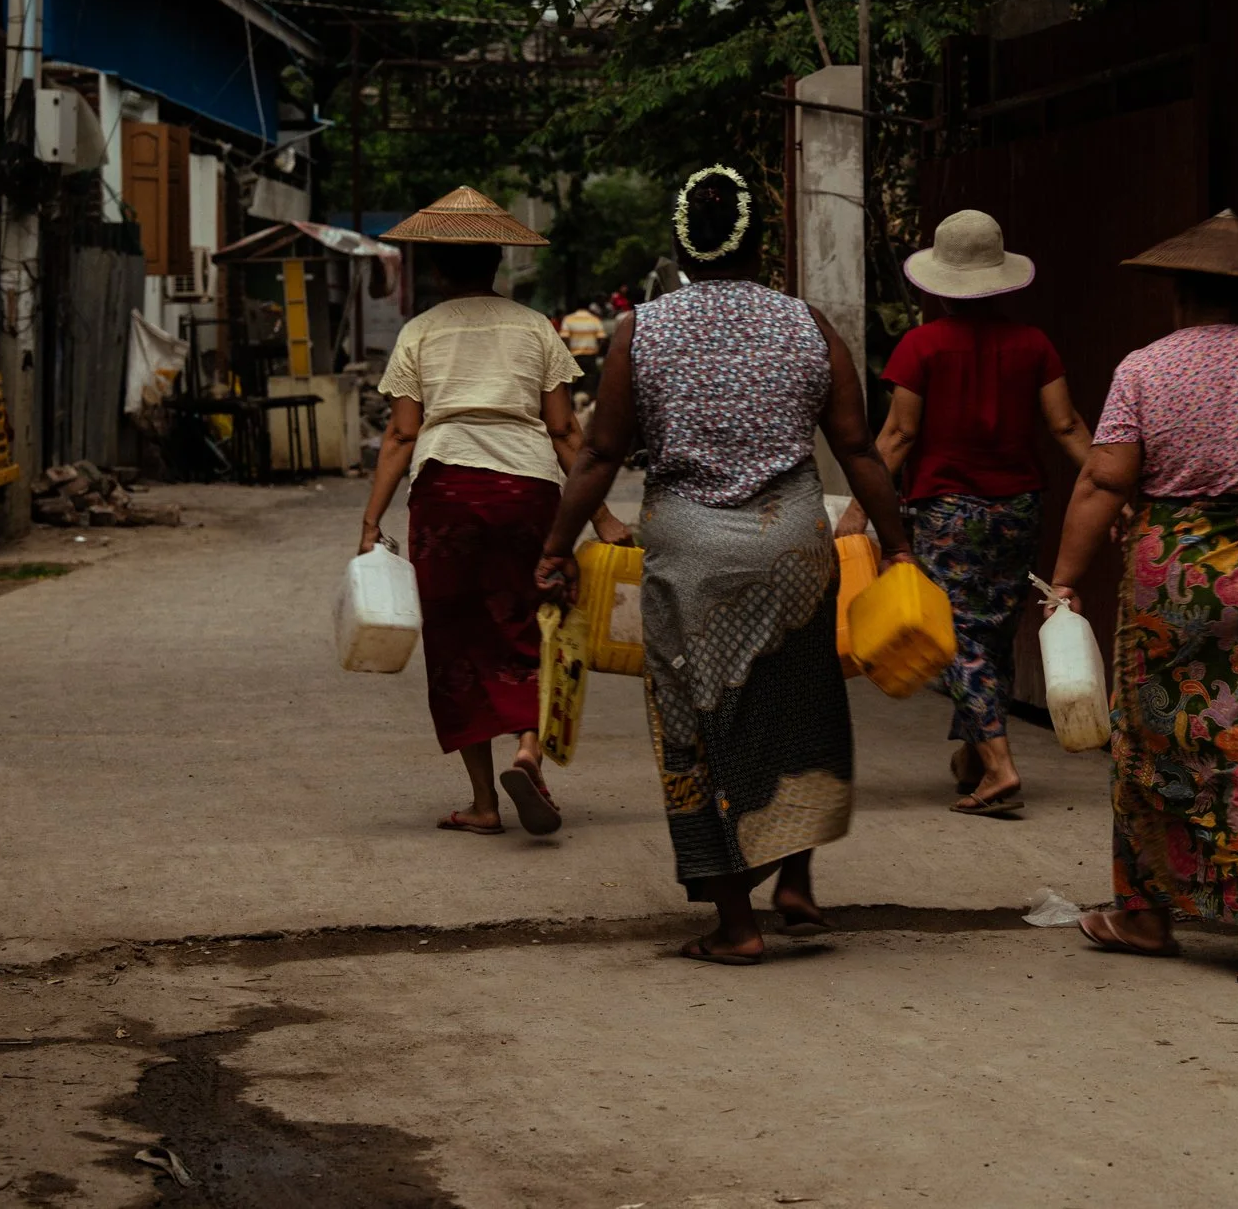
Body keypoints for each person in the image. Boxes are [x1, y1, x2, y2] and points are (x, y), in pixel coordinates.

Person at [536, 162, 914, 967]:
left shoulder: (643, 330)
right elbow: (857, 446)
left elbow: (602, 452)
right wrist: (901, 546)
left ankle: (737, 922)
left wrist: (554, 546)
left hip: (691, 560)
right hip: (792, 552)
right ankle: (799, 881)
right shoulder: (809, 325)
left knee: (700, 728)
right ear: (760, 244)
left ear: (681, 243)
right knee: (796, 705)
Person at [1047, 211, 1238, 985]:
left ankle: (1149, 915)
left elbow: (1104, 478)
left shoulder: (1146, 368)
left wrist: (1063, 582)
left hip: (1169, 572)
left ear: (1179, 292)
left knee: (1155, 736)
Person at [360, 186, 632, 839]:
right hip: (527, 494)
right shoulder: (534, 327)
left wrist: (371, 521)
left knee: (457, 642)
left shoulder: (419, 332)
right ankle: (529, 748)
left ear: (436, 269)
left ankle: (484, 803)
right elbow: (568, 433)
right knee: (532, 622)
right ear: (497, 264)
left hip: (446, 492)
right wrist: (602, 519)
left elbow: (400, 436)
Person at [835, 209, 1090, 817]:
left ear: (936, 283)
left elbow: (895, 436)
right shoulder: (1034, 345)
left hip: (948, 515)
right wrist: (1111, 483)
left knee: (956, 639)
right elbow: (1066, 424)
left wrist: (855, 512)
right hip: (1019, 511)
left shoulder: (921, 346)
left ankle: (999, 767)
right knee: (994, 634)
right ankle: (973, 757)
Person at [559, 300, 607, 395]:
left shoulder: (568, 319)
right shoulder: (594, 319)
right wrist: (598, 350)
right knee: (590, 383)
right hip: (590, 357)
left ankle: (575, 405)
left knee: (575, 383)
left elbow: (564, 337)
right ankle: (588, 403)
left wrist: (567, 352)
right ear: (588, 307)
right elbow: (602, 338)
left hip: (574, 357)